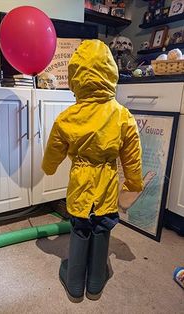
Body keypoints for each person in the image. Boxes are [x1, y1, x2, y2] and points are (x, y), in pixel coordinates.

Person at [42, 39, 143, 302]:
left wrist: (48, 167)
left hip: (80, 182)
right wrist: (133, 182)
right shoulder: (123, 115)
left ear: (76, 76)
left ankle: (75, 281)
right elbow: (132, 157)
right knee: (102, 227)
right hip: (107, 182)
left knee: (80, 226)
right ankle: (96, 280)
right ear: (111, 74)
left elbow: (54, 150)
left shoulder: (68, 117)